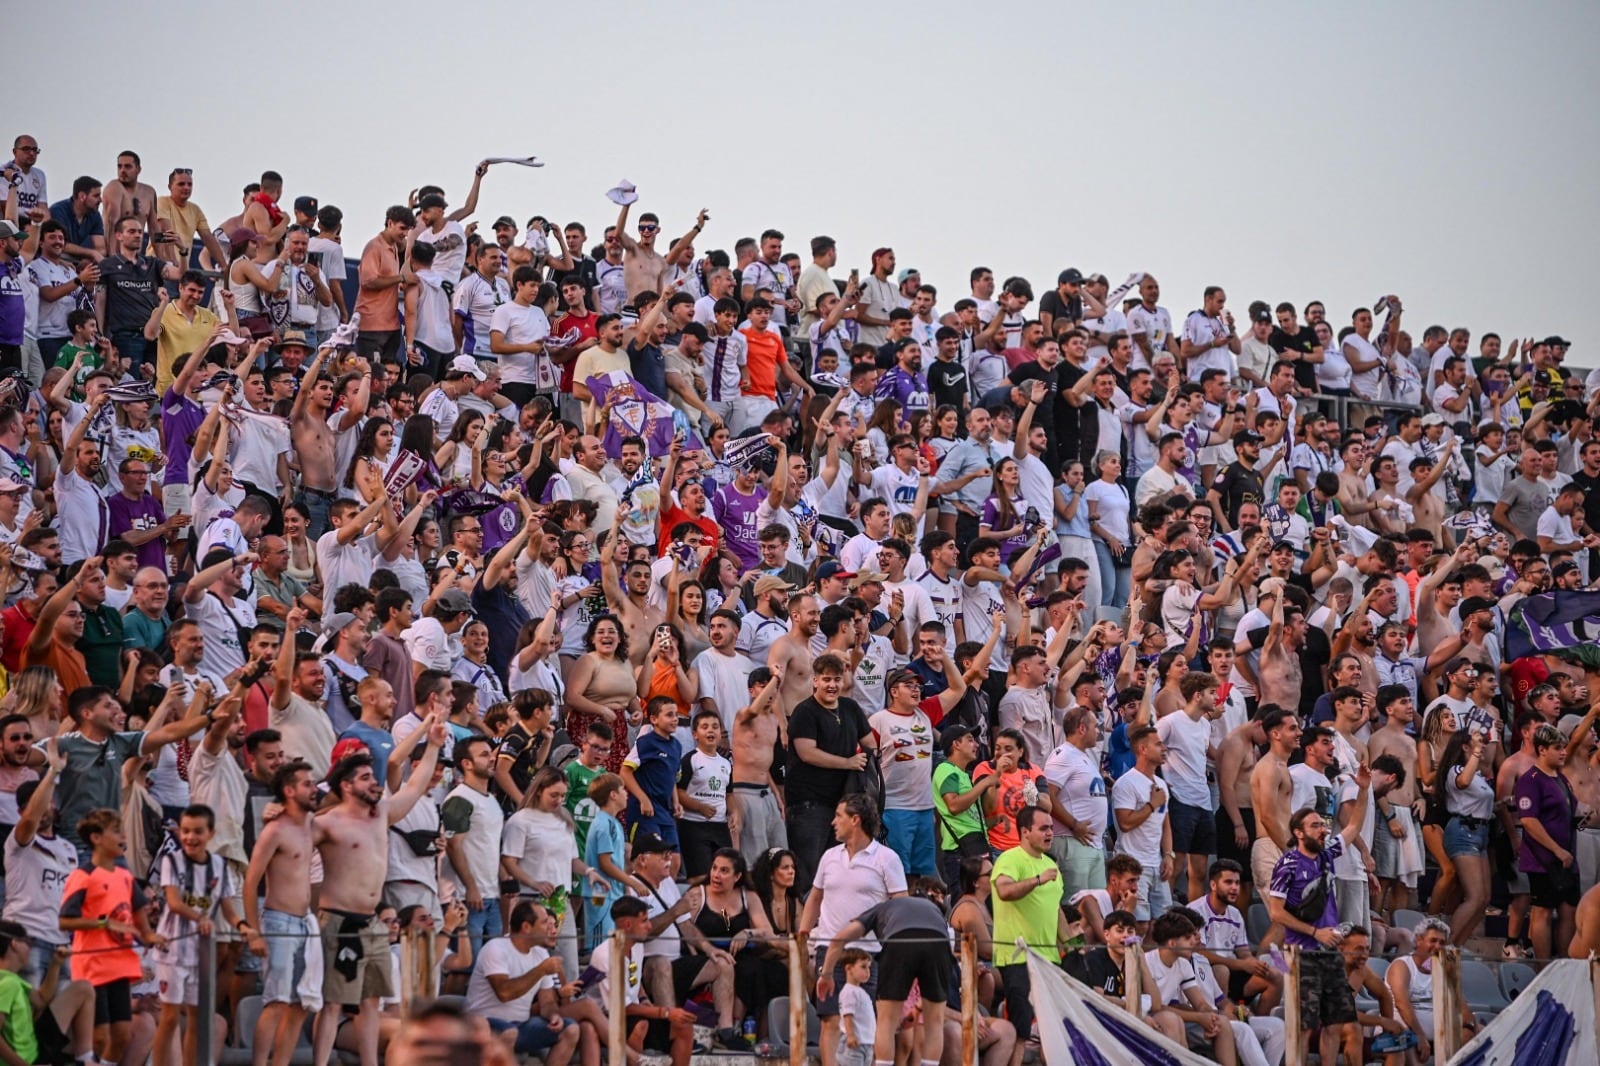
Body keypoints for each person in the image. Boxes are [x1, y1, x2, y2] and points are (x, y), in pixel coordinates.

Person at [309, 716, 446, 1066]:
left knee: (372, 1000)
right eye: (366, 777)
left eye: (374, 776)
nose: (375, 783)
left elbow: (414, 787)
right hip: (337, 920)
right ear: (347, 785)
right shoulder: (327, 822)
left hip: (372, 923)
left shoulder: (381, 814)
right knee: (335, 1002)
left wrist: (432, 744)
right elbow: (288, 850)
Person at [1266, 763, 1372, 1066]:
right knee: (1304, 1025)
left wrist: (1363, 790)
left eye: (1323, 825)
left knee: (1336, 1023)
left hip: (1330, 952)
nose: (1323, 830)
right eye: (1315, 826)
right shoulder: (1287, 864)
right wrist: (1315, 932)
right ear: (1298, 832)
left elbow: (1352, 828)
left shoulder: (1326, 855)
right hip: (1303, 953)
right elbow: (1276, 912)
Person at [800, 794, 907, 1066]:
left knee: (867, 1024)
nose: (833, 822)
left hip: (868, 953)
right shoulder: (829, 856)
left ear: (855, 820)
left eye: (839, 816)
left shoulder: (887, 858)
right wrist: (801, 935)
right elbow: (815, 897)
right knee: (830, 1020)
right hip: (829, 949)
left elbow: (900, 906)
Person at [58, 808, 166, 1064]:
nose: (122, 836)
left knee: (121, 1036)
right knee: (99, 1036)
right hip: (93, 965)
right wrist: (103, 924)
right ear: (96, 838)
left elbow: (140, 915)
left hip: (121, 965)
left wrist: (150, 936)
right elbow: (65, 920)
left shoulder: (125, 876)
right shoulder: (83, 876)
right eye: (116, 831)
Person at [816, 878, 950, 1066]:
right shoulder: (934, 909)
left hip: (900, 939)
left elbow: (840, 939)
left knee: (887, 1020)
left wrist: (826, 974)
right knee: (934, 1021)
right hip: (938, 940)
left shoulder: (879, 909)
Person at [152, 803, 241, 1066]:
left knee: (197, 1016)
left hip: (200, 953)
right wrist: (201, 918)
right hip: (172, 950)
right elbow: (175, 902)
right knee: (169, 1017)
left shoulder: (220, 866)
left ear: (210, 834)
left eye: (197, 831)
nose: (190, 837)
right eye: (186, 831)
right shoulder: (172, 861)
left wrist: (245, 928)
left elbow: (228, 910)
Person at [463, 899, 584, 1066]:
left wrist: (553, 1015)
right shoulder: (496, 948)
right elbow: (504, 993)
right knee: (509, 1032)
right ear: (526, 928)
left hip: (521, 1026)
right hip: (485, 1023)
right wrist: (541, 970)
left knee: (570, 1029)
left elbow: (547, 1002)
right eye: (544, 923)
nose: (549, 928)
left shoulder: (541, 954)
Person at [990, 806, 1063, 1046]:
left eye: (1051, 828)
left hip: (1048, 956)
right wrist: (1038, 880)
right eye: (1043, 828)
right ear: (1025, 831)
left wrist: (1075, 943)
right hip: (1017, 956)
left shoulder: (1051, 865)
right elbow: (1004, 891)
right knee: (1021, 1028)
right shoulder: (1010, 858)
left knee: (1049, 1029)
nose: (1050, 833)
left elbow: (1055, 908)